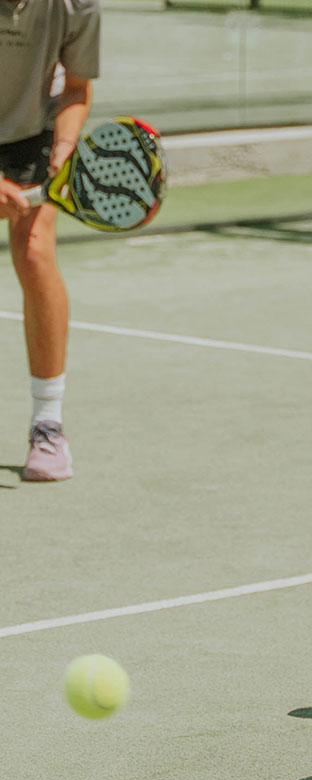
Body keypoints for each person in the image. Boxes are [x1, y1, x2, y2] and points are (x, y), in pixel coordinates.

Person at [0, 0, 101, 481]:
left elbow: (77, 87)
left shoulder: (76, 4)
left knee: (36, 251)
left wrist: (63, 149)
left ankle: (48, 425)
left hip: (29, 132)